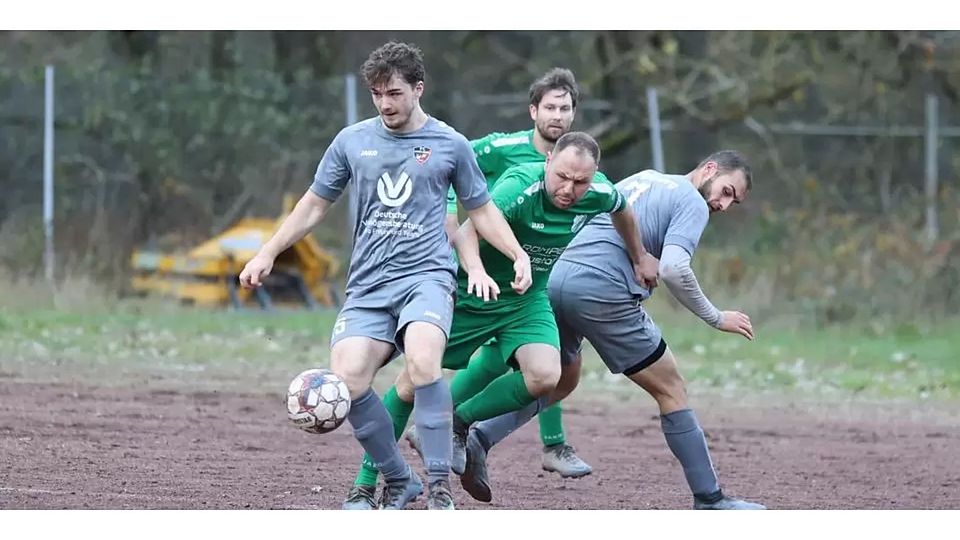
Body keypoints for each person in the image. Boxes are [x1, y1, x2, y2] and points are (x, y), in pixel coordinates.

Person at [238, 41, 531, 511]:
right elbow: (314, 204)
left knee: (423, 363)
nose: (385, 104)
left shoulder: (450, 144)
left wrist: (517, 254)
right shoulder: (352, 141)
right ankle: (399, 479)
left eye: (393, 93)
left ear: (418, 88)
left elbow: (481, 208)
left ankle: (439, 488)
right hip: (369, 285)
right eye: (376, 94)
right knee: (349, 380)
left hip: (427, 279)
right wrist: (269, 251)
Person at [343, 131, 659, 509]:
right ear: (547, 163)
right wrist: (476, 271)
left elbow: (622, 208)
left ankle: (459, 421)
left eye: (580, 182)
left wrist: (640, 256)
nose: (569, 189)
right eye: (561, 177)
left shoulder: (599, 192)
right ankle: (364, 483)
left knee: (545, 376)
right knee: (411, 384)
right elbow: (465, 233)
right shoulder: (518, 187)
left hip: (526, 300)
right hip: (471, 294)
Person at [458, 151, 767, 510]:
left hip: (557, 278)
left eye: (734, 201)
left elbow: (590, 216)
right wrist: (716, 317)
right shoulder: (691, 201)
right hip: (601, 292)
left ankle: (479, 437)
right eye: (727, 191)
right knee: (672, 389)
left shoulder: (645, 177)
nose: (724, 205)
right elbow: (674, 269)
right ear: (709, 169)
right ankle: (710, 499)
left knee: (561, 380)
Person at [440, 67, 593, 477]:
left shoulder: (576, 163)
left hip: (533, 276)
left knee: (538, 356)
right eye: (550, 107)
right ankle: (446, 425)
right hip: (483, 268)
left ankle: (545, 443)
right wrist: (454, 210)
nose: (557, 115)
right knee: (489, 359)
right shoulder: (504, 147)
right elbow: (453, 159)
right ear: (533, 111)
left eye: (565, 107)